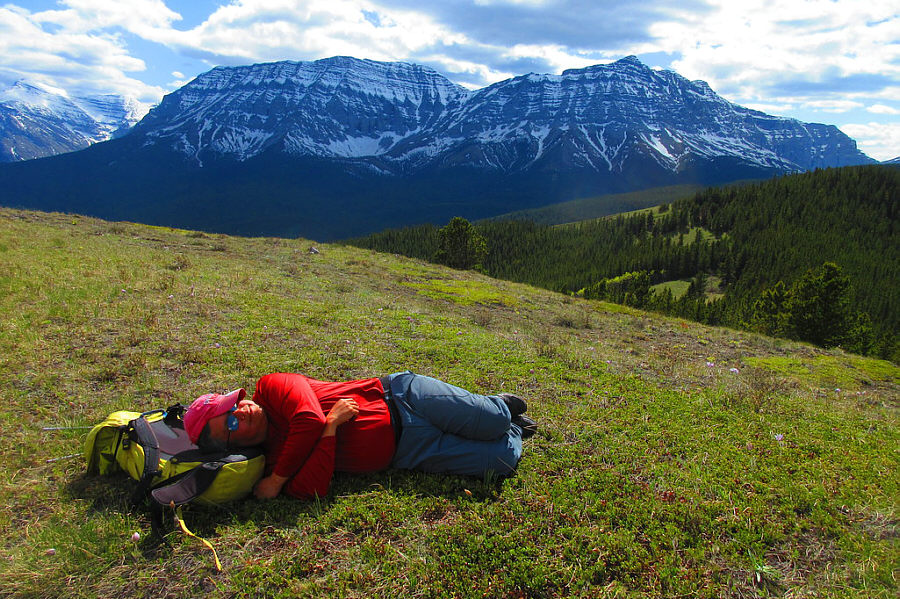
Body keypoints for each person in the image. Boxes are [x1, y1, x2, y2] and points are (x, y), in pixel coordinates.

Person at [183, 371, 537, 500]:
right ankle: (516, 428)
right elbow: (315, 489)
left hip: (403, 397)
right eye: (229, 423)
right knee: (502, 461)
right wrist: (330, 429)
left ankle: (499, 406)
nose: (239, 412)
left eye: (232, 404)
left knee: (491, 421)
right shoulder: (272, 460)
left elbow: (306, 418)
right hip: (409, 451)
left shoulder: (272, 387)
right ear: (232, 446)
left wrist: (278, 480)